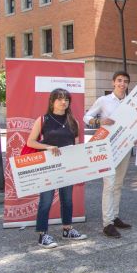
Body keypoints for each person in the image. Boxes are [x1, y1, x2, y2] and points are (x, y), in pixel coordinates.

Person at [27, 88, 87, 248]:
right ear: (52, 101)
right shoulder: (43, 119)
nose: (63, 102)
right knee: (46, 201)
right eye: (60, 99)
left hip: (67, 167)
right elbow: (30, 142)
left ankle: (67, 229)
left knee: (67, 199)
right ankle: (42, 234)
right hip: (48, 167)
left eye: (66, 99)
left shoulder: (73, 121)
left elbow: (77, 145)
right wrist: (47, 147)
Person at [84, 71, 133, 238]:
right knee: (109, 184)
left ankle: (115, 216)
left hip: (124, 147)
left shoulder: (130, 102)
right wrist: (99, 121)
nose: (122, 84)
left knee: (118, 184)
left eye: (125, 81)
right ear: (113, 82)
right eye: (119, 81)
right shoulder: (103, 101)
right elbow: (86, 117)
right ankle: (107, 223)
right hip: (107, 148)